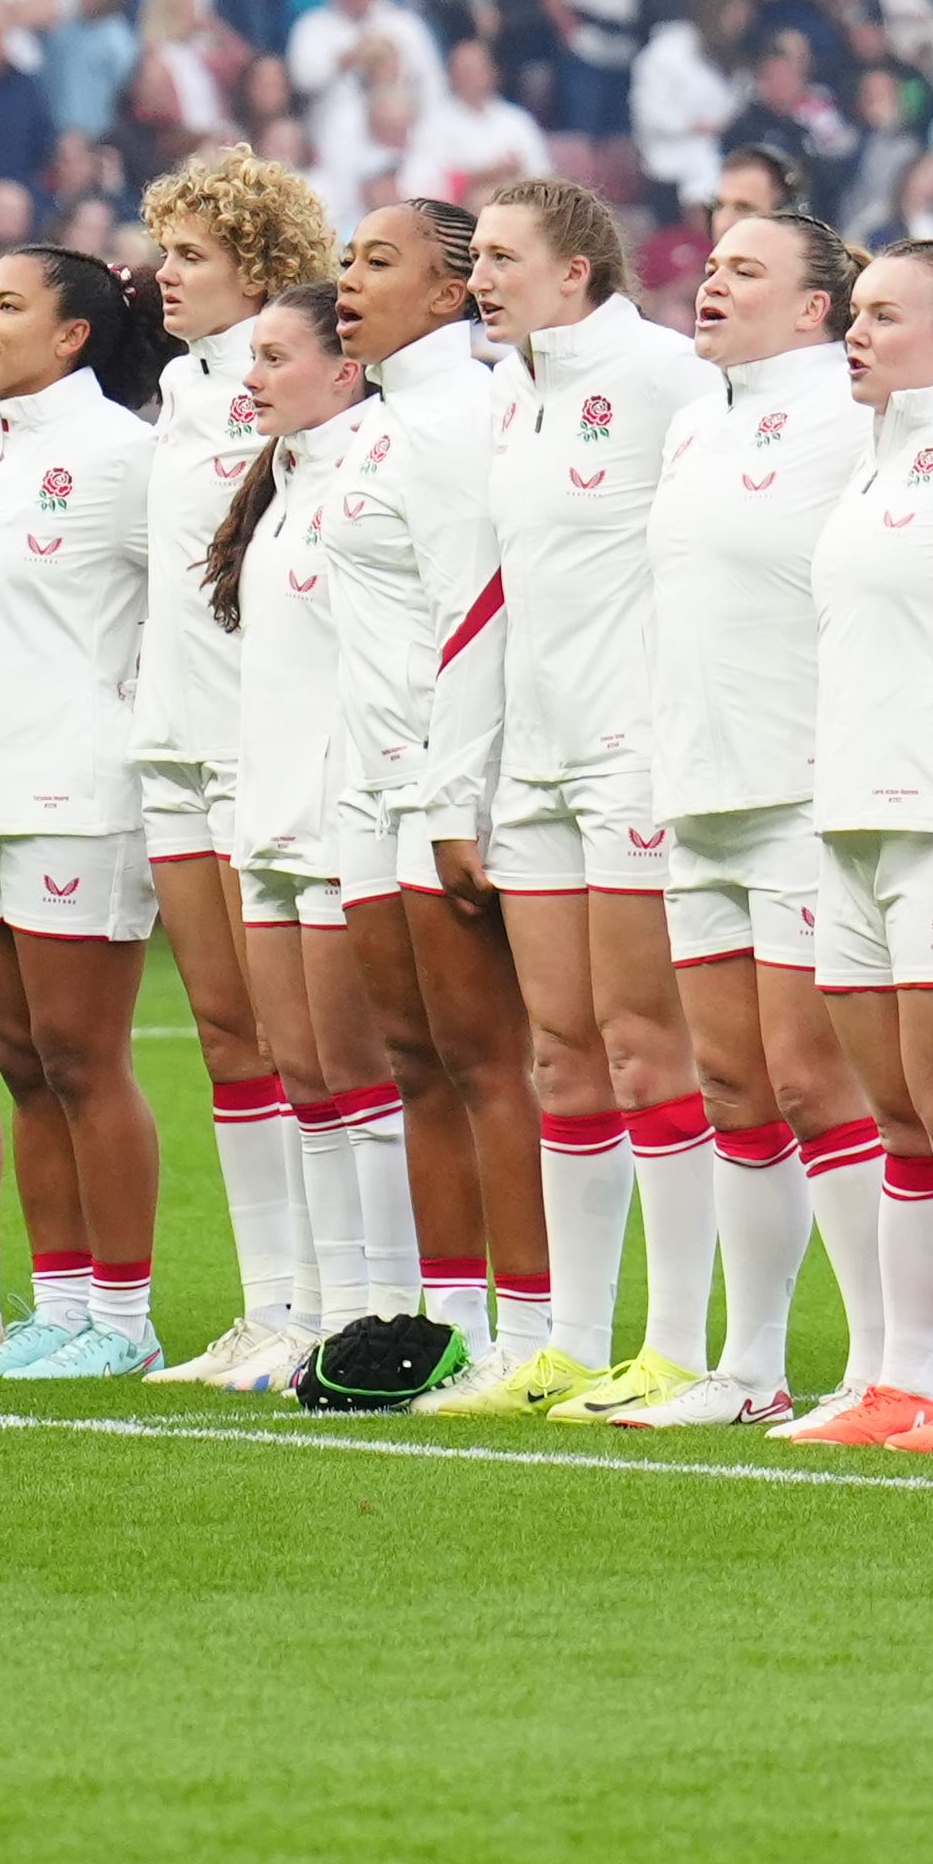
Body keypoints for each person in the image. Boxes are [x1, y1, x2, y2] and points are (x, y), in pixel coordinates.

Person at [468, 175, 722, 1416]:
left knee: (640, 1045)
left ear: (576, 270)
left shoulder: (666, 374)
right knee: (560, 1053)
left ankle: (675, 1342)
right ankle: (570, 1341)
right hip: (537, 755)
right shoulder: (513, 392)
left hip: (632, 748)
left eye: (503, 255)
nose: (480, 274)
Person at [628, 204, 884, 1429]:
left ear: (815, 307)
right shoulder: (688, 423)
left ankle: (881, 1366)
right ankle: (748, 1368)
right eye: (712, 264)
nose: (712, 283)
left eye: (747, 270)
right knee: (731, 1080)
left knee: (814, 1081)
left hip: (799, 788)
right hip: (695, 786)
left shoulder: (852, 418)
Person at [0, 246, 169, 1376]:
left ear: (74, 335)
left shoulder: (124, 456)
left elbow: (180, 615)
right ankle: (59, 1307)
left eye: (10, 306)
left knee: (82, 1055)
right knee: (19, 1058)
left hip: (74, 789)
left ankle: (122, 1319)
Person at [791, 238, 933, 1447]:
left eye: (883, 315)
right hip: (855, 817)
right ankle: (904, 1378)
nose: (854, 333)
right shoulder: (869, 460)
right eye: (855, 314)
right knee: (900, 1121)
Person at [129, 149, 341, 1391]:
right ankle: (270, 1305)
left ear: (261, 271)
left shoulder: (300, 395)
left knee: (302, 1036)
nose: (165, 276)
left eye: (192, 256)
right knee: (224, 1033)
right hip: (174, 735)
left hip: (267, 744)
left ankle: (337, 1299)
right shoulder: (171, 383)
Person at [332, 198, 548, 1411]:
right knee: (415, 1059)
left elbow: (479, 614)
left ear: (450, 287)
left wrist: (453, 790)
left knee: (486, 1061)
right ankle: (448, 1319)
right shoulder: (375, 420)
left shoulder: (460, 415)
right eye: (346, 262)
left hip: (440, 777)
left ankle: (530, 1326)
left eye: (377, 261)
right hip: (364, 782)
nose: (349, 282)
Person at [214, 278, 412, 1361]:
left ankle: (392, 1309)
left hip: (347, 808)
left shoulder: (380, 464)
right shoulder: (284, 475)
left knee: (359, 1075)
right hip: (272, 806)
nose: (253, 377)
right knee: (304, 1077)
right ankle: (327, 1317)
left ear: (347, 369)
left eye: (275, 356)